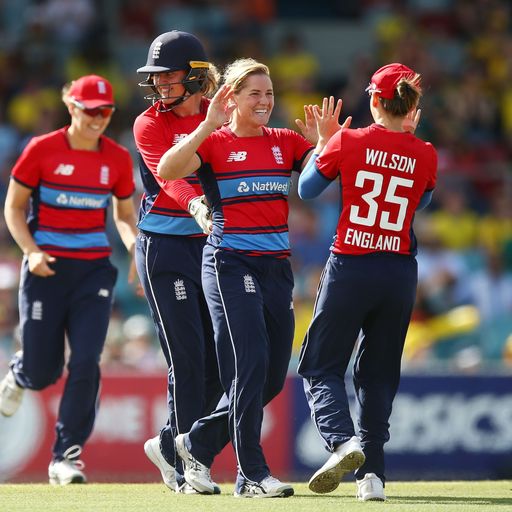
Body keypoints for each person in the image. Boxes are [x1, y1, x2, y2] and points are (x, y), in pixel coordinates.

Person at [157, 58, 344, 498]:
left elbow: (317, 179)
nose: (264, 101)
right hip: (229, 262)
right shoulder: (216, 142)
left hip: (277, 267)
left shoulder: (284, 141)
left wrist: (325, 145)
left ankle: (188, 443)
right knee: (249, 365)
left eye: (268, 93)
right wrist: (205, 126)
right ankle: (252, 475)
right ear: (232, 98)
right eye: (254, 93)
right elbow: (167, 170)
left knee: (273, 377)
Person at [296, 63, 437, 501]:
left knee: (320, 364)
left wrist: (324, 143)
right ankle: (371, 475)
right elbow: (422, 201)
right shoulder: (427, 153)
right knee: (378, 375)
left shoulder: (349, 140)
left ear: (374, 100)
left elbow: (306, 190)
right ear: (413, 106)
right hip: (398, 272)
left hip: (351, 266)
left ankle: (342, 442)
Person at [0, 75, 138, 485]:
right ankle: (21, 373)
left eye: (106, 111)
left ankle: (67, 456)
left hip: (93, 270)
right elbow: (12, 208)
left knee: (85, 361)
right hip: (46, 269)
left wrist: (136, 250)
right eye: (90, 110)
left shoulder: (115, 157)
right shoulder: (42, 149)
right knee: (44, 371)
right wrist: (31, 251)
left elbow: (124, 215)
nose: (98, 119)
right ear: (71, 107)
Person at [133, 30, 223, 494]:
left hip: (208, 247)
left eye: (169, 76)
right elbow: (170, 179)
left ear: (194, 76)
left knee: (215, 365)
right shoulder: (148, 124)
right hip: (164, 247)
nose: (160, 85)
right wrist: (197, 206)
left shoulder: (221, 115)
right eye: (157, 77)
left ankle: (170, 444)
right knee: (186, 359)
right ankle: (191, 464)